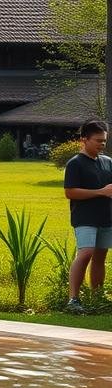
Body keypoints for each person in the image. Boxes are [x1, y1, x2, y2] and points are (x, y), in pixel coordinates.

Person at [63, 120, 112, 314]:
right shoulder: (75, 163)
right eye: (98, 140)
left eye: (104, 141)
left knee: (101, 256)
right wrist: (100, 192)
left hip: (106, 217)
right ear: (84, 139)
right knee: (86, 253)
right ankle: (73, 299)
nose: (102, 144)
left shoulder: (108, 162)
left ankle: (97, 297)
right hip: (85, 218)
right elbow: (70, 192)